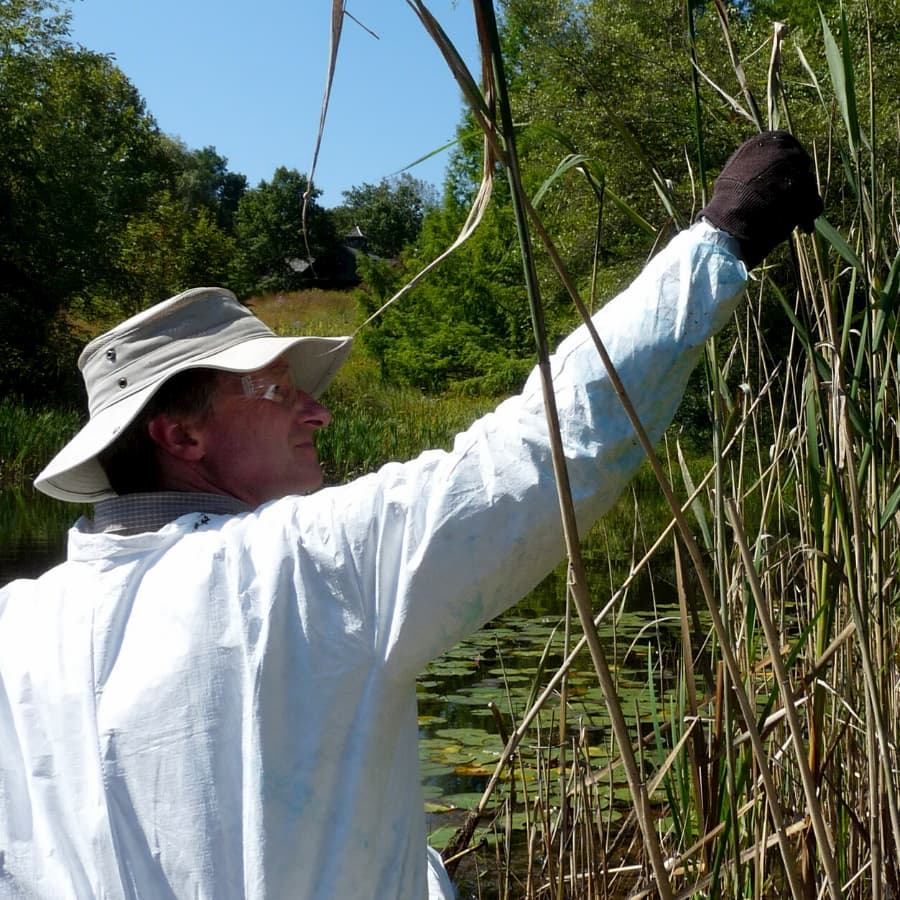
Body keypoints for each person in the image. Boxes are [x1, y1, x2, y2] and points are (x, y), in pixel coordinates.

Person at [0, 132, 822, 899]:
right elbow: (543, 451)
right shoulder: (295, 564)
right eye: (277, 389)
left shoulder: (15, 627)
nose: (316, 415)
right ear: (178, 434)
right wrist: (722, 236)